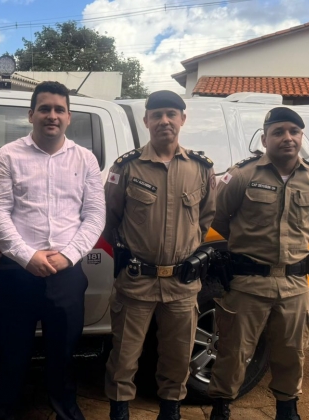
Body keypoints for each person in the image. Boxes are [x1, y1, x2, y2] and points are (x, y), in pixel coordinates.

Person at [0, 81, 105, 420]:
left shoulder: (86, 159)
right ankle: (4, 410)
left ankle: (65, 409)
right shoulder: (8, 155)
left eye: (59, 110)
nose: (51, 115)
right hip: (16, 273)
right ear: (31, 115)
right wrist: (27, 256)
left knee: (64, 352)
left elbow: (95, 215)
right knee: (12, 352)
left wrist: (68, 255)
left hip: (67, 273)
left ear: (69, 117)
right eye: (44, 108)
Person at [207, 107, 309, 420]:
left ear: (301, 137)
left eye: (294, 131)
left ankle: (287, 409)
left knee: (292, 352)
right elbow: (219, 216)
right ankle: (221, 407)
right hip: (247, 283)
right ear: (265, 138)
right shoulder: (241, 175)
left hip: (294, 284)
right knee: (233, 353)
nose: (287, 138)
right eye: (278, 132)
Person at [103, 90, 216, 420]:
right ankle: (119, 412)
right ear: (146, 121)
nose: (164, 121)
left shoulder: (200, 168)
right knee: (123, 357)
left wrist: (185, 248)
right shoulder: (126, 167)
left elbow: (207, 218)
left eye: (171, 113)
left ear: (182, 118)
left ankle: (171, 412)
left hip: (182, 286)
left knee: (178, 358)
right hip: (136, 283)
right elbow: (110, 220)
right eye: (157, 115)